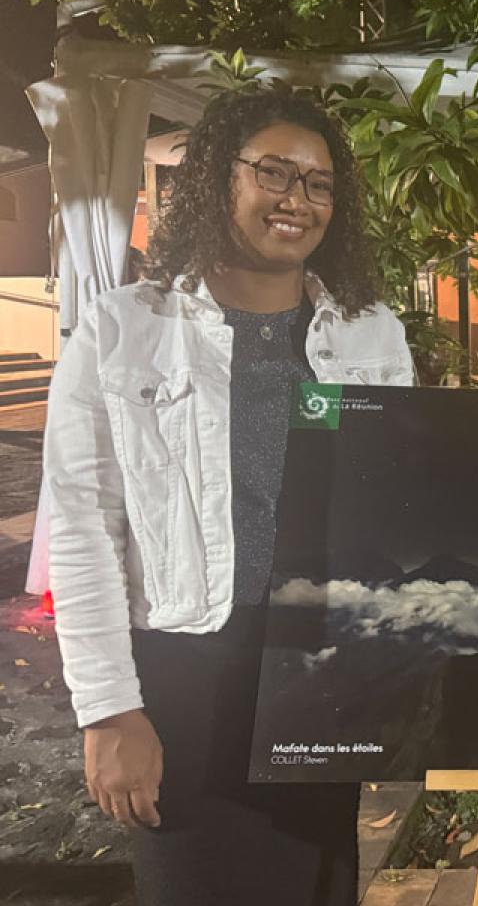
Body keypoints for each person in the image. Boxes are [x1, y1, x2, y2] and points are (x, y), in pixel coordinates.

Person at [44, 90, 415, 905]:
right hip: (183, 679)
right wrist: (109, 711)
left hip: (320, 671)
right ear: (218, 178)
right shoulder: (122, 330)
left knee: (320, 889)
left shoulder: (369, 334)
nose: (297, 198)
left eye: (320, 183)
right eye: (274, 172)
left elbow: (388, 508)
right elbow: (81, 529)